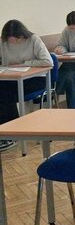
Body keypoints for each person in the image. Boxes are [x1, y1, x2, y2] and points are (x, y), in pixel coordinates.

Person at [0, 20, 53, 151]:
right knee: (3, 90)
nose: (14, 42)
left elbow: (48, 61)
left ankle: (11, 132)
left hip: (35, 79)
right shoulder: (3, 42)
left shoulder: (34, 39)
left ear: (22, 35)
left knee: (5, 93)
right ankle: (7, 130)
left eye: (17, 39)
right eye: (10, 40)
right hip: (12, 78)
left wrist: (24, 64)